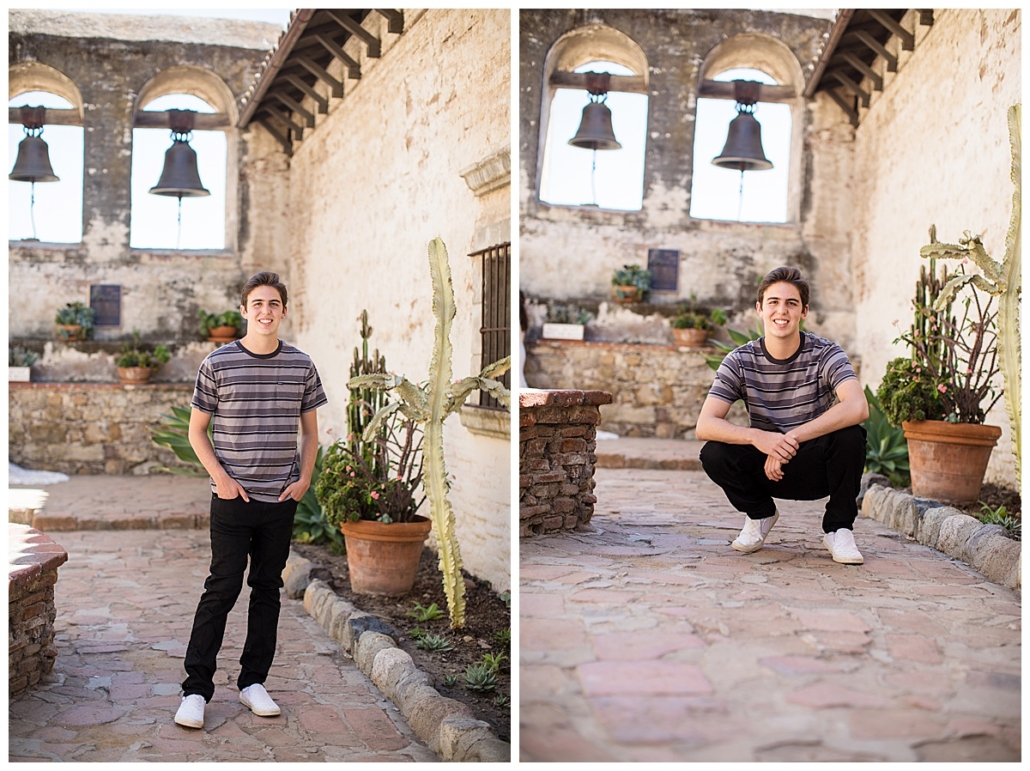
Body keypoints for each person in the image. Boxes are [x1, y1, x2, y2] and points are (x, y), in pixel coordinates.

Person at [174, 271, 327, 729]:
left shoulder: (301, 364)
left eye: (273, 304)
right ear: (244, 310)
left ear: (283, 310)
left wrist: (303, 481)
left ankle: (252, 683)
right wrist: (220, 478)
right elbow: (196, 431)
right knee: (222, 587)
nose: (265, 311)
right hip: (232, 497)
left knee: (267, 591)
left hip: (280, 499)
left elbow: (311, 434)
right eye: (257, 303)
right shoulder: (218, 363)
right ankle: (195, 691)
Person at [696, 266, 868, 565]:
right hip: (766, 470)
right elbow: (705, 424)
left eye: (791, 303)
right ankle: (760, 513)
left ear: (804, 311)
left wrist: (789, 439)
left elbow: (857, 406)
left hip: (816, 469)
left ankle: (838, 528)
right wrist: (758, 437)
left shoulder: (826, 353)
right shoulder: (739, 360)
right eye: (773, 302)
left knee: (851, 436)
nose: (782, 311)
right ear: (760, 309)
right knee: (714, 453)